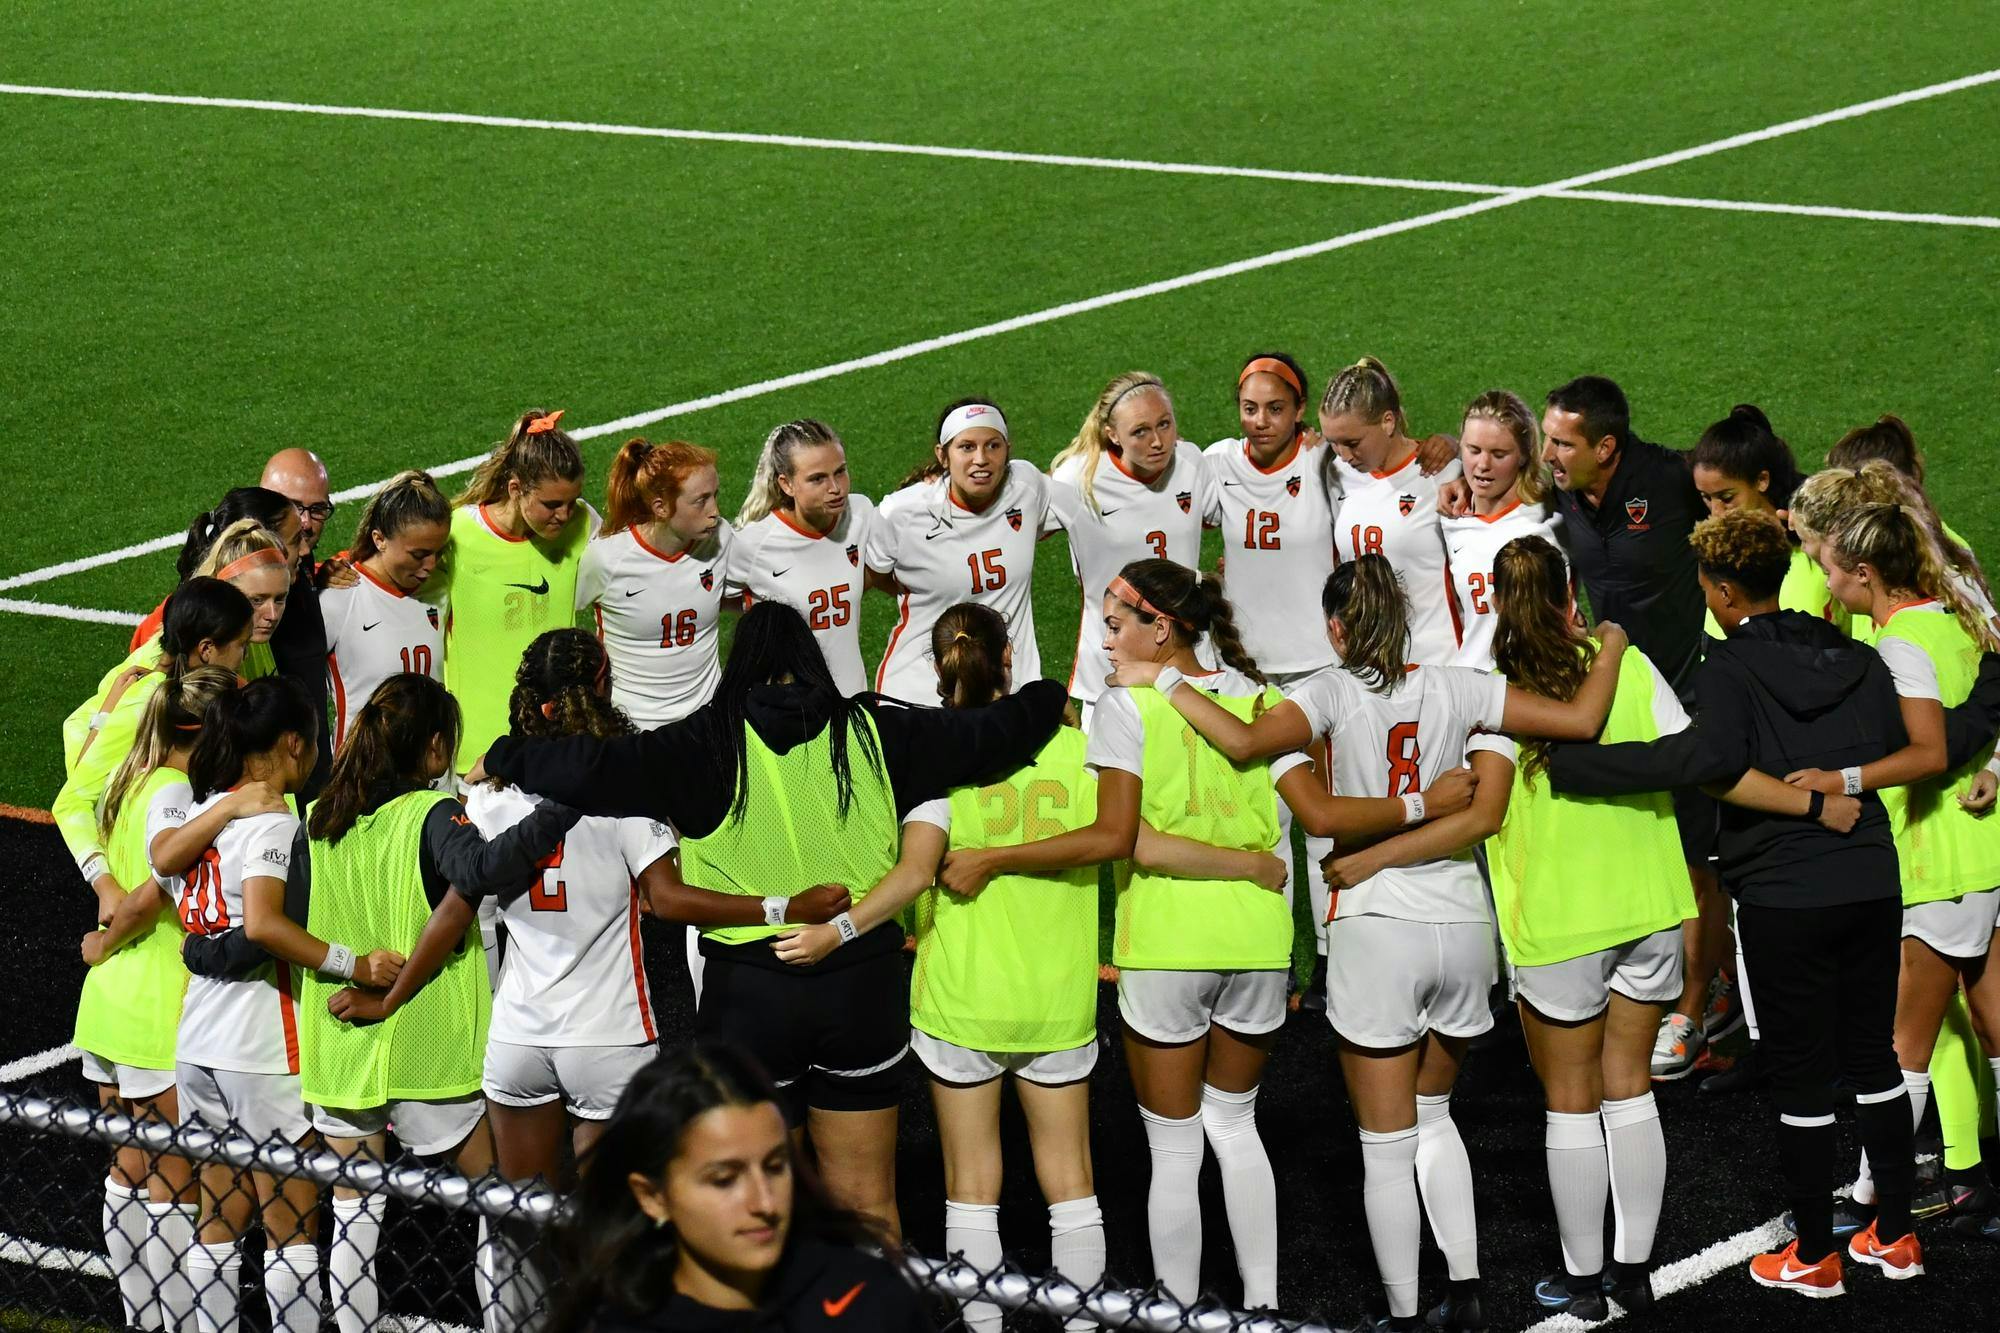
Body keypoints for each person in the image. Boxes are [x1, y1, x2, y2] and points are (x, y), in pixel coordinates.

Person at [1114, 557, 1634, 1331]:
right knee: (1437, 1116)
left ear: (1335, 626)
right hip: (1464, 928)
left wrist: (1163, 680)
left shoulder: (1322, 691)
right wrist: (1616, 641)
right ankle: (1466, 1288)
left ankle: (1403, 1313)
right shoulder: (1463, 685)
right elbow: (1581, 721)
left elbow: (1249, 745)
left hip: (1376, 928)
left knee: (1386, 1143)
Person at [477, 601, 1068, 1238]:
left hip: (748, 999)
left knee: (764, 1211)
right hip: (858, 986)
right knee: (868, 1204)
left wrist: (508, 755)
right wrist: (1046, 691)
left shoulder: (701, 742)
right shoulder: (879, 729)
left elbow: (593, 770)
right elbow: (991, 734)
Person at [1541, 509, 1981, 1297]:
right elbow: (1890, 751)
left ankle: (1814, 1253)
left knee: (1804, 1075)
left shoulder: (1727, 669)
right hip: (1873, 878)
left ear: (1718, 589)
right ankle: (1899, 1235)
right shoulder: (1857, 653)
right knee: (1875, 1057)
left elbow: (1708, 760)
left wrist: (1581, 768)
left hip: (1784, 894)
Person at [773, 604, 1113, 1332]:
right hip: (1058, 996)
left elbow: (911, 872)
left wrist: (837, 928)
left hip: (960, 998)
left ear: (939, 670)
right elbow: (1114, 837)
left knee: (971, 1188)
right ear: (1010, 664)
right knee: (1072, 1182)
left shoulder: (934, 759)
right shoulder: (1078, 749)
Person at [228, 671, 578, 1333]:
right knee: (502, 1198)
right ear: (436, 749)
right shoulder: (434, 813)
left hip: (341, 1040)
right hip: (430, 1046)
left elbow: (291, 919)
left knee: (356, 1216)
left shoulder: (320, 817)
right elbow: (479, 872)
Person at [1480, 536, 1695, 1319]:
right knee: (1630, 1088)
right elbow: (1682, 751)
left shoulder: (1494, 691)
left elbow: (1479, 803)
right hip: (1647, 899)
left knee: (1570, 1097)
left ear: (1495, 598)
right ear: (1572, 592)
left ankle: (1582, 1282)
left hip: (1559, 917)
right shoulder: (1628, 665)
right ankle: (1634, 1271)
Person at [1790, 502, 2000, 1247]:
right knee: (1993, 1023)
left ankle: (1874, 1198)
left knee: (1903, 1043)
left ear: (1866, 573)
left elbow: (1927, 754)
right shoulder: (1954, 618)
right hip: (1982, 849)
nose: (1823, 580)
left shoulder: (1902, 644)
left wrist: (1837, 779)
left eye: (1831, 568)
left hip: (1936, 859)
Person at [74, 665, 273, 1333]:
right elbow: (149, 891)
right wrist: (106, 941)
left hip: (112, 1001)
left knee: (130, 1171)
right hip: (156, 1002)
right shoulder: (175, 794)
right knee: (175, 1184)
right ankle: (173, 1323)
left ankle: (143, 1318)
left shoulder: (137, 778)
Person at [548, 1043, 932, 1333]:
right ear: (653, 1197)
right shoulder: (611, 1324)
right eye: (724, 1180)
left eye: (775, 1167)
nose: (763, 1202)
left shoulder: (868, 1301)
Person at [170, 676, 325, 1333]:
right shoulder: (272, 817)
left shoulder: (211, 807)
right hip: (262, 1048)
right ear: (292, 743)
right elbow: (264, 925)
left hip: (198, 1041)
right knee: (291, 1226)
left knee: (218, 1214)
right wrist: (350, 960)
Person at [54, 579, 257, 927]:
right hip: (143, 911)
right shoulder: (148, 701)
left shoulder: (199, 696)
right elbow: (71, 802)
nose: (246, 657)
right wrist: (104, 886)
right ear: (206, 650)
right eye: (242, 646)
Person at [435, 409, 597, 777]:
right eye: (552, 505)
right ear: (515, 489)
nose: (563, 514)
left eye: (571, 502)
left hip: (556, 743)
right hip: (477, 754)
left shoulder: (582, 524)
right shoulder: (459, 535)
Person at [1045, 372, 1216, 715]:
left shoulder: (1191, 463)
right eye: (1140, 431)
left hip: (1189, 663)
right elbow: (1008, 516)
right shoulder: (1079, 480)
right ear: (1113, 434)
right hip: (1109, 671)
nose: (1158, 441)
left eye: (1165, 424)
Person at [866, 399, 1049, 704]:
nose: (981, 458)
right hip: (921, 691)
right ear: (943, 455)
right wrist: (917, 590)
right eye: (966, 447)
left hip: (1008, 687)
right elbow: (864, 578)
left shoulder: (1026, 487)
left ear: (1007, 449)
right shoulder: (903, 512)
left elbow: (1083, 495)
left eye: (993, 446)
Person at [579, 438, 732, 728]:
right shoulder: (608, 559)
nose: (715, 510)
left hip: (708, 719)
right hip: (633, 727)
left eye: (715, 495)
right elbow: (565, 609)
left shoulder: (721, 539)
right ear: (661, 507)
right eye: (701, 500)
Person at [1320, 358, 1464, 666]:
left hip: (1437, 663)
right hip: (1369, 666)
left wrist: (1459, 446)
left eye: (1352, 442)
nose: (1344, 455)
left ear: (1388, 421)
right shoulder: (1336, 473)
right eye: (1333, 443)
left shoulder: (1443, 473)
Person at [730, 420, 877, 696]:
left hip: (851, 700)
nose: (835, 488)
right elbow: (710, 595)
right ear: (786, 484)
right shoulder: (754, 544)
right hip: (790, 709)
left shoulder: (861, 514)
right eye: (817, 478)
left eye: (840, 472)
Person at [320, 470, 450, 750]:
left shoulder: (441, 587)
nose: (430, 565)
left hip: (433, 774)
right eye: (418, 555)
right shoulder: (339, 598)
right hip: (363, 776)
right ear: (379, 539)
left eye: (438, 552)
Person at [1439, 391, 1562, 672]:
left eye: (1499, 454)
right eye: (1473, 450)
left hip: (1536, 682)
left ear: (1523, 456)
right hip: (1470, 688)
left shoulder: (1551, 518)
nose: (1483, 465)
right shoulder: (1450, 519)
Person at [1690, 405, 1843, 633]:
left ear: (1762, 480)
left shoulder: (1819, 552)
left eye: (1727, 497)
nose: (1716, 512)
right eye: (1706, 498)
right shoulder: (1717, 559)